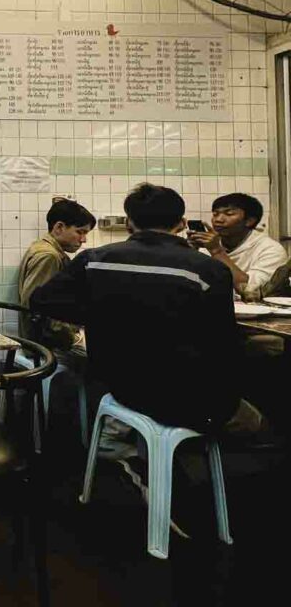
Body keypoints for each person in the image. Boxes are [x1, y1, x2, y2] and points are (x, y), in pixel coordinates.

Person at [31, 184, 264, 436]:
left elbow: (42, 300)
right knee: (259, 423)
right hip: (188, 396)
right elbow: (222, 342)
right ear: (182, 222)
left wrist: (102, 315)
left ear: (130, 222)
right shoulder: (209, 269)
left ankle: (129, 448)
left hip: (118, 385)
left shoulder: (94, 260)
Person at [18, 199, 95, 352]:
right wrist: (72, 337)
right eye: (80, 232)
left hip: (42, 342)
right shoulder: (49, 256)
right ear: (59, 227)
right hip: (45, 346)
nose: (83, 239)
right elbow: (37, 306)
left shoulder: (42, 248)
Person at [188, 193, 286, 300]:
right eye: (215, 214)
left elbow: (251, 291)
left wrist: (217, 251)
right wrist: (189, 251)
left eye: (229, 214)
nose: (218, 220)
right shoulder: (207, 245)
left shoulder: (270, 249)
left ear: (249, 221)